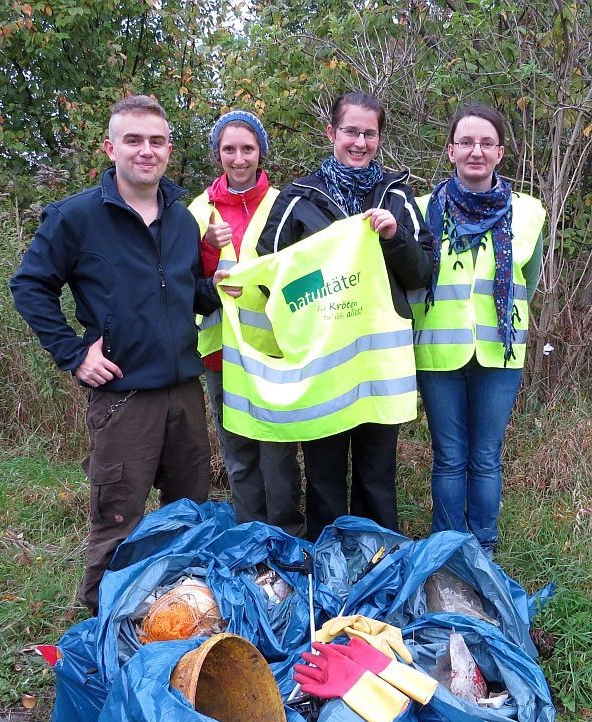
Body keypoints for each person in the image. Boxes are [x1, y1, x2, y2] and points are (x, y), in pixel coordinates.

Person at [11, 95, 232, 614]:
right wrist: (73, 353)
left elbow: (181, 295)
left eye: (156, 141)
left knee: (186, 519)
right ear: (111, 147)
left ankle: (174, 625)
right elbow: (29, 286)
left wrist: (214, 287)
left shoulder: (181, 221)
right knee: (117, 522)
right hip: (124, 398)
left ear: (169, 150)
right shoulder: (77, 217)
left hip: (183, 391)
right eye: (133, 140)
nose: (146, 151)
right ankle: (99, 637)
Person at [257, 91, 433, 541]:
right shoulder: (300, 199)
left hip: (379, 361)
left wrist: (394, 237)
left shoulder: (397, 196)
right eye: (351, 131)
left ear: (379, 138)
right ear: (331, 132)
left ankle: (378, 561)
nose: (360, 142)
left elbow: (421, 271)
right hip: (324, 362)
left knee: (377, 473)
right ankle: (329, 559)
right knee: (325, 473)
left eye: (369, 133)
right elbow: (268, 268)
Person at [409, 103, 546, 553]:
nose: (476, 151)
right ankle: (447, 551)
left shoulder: (527, 213)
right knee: (449, 458)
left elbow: (532, 278)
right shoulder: (423, 210)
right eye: (466, 142)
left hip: (499, 355)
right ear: (450, 150)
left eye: (486, 142)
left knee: (485, 458)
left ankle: (482, 550)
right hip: (438, 353)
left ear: (500, 152)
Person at [189, 110, 305, 536]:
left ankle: (287, 537)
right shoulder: (199, 210)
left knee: (277, 451)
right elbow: (184, 280)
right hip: (220, 350)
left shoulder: (285, 203)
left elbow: (299, 273)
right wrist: (206, 249)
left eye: (248, 149)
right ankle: (249, 538)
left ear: (261, 152)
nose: (239, 159)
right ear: (217, 154)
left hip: (272, 349)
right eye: (229, 149)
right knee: (237, 451)